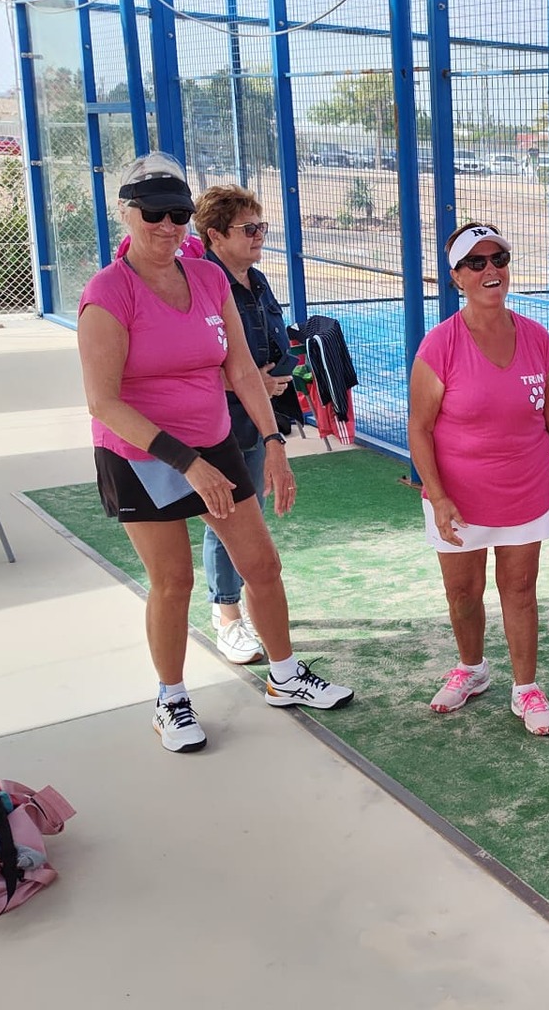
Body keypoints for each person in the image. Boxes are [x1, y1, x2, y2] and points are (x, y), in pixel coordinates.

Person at [78, 153, 354, 753]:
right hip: (142, 455)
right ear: (126, 213)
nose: (167, 225)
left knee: (262, 564)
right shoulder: (107, 292)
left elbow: (242, 370)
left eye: (178, 214)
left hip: (213, 438)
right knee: (173, 580)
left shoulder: (207, 278)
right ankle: (171, 700)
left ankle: (284, 676)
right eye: (153, 213)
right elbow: (103, 402)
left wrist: (275, 442)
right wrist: (187, 463)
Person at [409, 221, 549, 736]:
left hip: (526, 491)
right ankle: (472, 669)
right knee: (463, 594)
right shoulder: (440, 345)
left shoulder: (537, 338)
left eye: (499, 259)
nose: (491, 270)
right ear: (457, 276)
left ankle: (526, 688)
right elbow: (419, 428)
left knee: (520, 589)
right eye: (476, 262)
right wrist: (439, 496)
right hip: (457, 499)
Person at [192, 184, 294, 666]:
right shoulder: (199, 285)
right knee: (225, 519)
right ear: (215, 235)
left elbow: (270, 342)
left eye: (262, 227)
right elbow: (193, 363)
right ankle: (227, 614)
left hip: (256, 420)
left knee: (246, 515)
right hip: (218, 423)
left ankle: (244, 605)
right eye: (248, 229)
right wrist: (252, 383)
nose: (259, 236)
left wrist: (279, 376)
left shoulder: (257, 280)